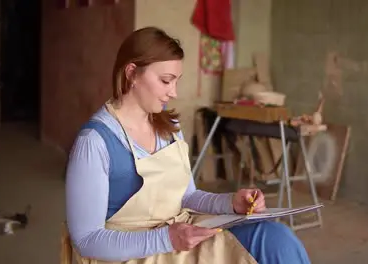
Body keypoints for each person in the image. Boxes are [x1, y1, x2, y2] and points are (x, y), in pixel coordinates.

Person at [65, 26, 311, 264]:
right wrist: (166, 238)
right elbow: (87, 240)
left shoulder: (168, 126)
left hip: (179, 235)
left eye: (176, 81)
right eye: (165, 81)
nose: (173, 92)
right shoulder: (94, 142)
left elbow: (187, 196)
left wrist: (230, 203)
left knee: (276, 239)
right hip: (133, 253)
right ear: (131, 73)